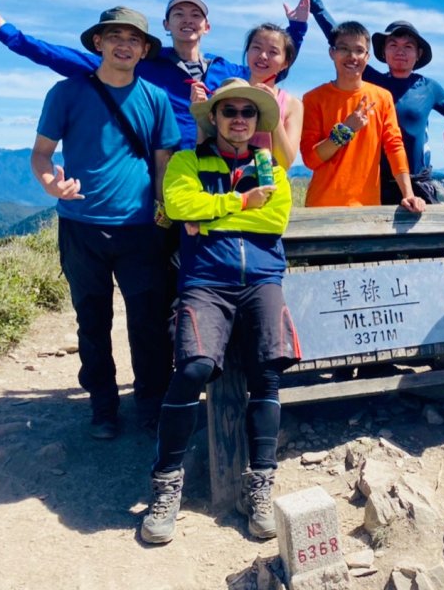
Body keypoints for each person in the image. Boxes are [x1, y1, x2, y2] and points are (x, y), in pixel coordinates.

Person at [141, 79, 300, 545]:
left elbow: (275, 219)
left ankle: (261, 485)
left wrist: (208, 217)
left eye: (247, 113)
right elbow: (177, 204)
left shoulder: (270, 167)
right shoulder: (188, 161)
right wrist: (238, 201)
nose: (238, 119)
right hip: (205, 283)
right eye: (228, 110)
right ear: (213, 117)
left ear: (257, 123)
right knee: (192, 367)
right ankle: (166, 483)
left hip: (263, 281)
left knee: (268, 372)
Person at [27, 6, 181, 439]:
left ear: (144, 49)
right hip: (80, 225)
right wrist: (50, 185)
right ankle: (103, 407)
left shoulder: (155, 99)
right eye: (115, 36)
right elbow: (41, 153)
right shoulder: (67, 93)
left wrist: (166, 211)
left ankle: (151, 403)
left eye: (134, 39)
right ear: (98, 43)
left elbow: (163, 162)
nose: (124, 45)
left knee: (148, 323)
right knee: (91, 320)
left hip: (141, 229)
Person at [0, 0, 309, 151]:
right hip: (162, 170)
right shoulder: (146, 65)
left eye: (196, 16)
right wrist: (10, 36)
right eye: (179, 15)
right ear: (166, 25)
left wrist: (298, 26)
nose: (188, 21)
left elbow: (271, 62)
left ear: (207, 27)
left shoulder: (227, 68)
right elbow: (70, 60)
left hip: (220, 169)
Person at [291, 0, 444, 203]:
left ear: (418, 53)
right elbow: (339, 36)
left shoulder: (429, 88)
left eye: (408, 46)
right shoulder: (376, 83)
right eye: (393, 44)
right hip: (375, 185)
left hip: (415, 182)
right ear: (381, 53)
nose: (400, 51)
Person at [300, 20, 426, 213]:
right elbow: (310, 159)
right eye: (344, 49)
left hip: (367, 208)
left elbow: (394, 146)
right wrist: (345, 130)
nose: (352, 56)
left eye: (359, 51)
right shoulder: (313, 99)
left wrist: (407, 194)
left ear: (367, 57)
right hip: (321, 207)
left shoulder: (382, 97)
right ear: (332, 53)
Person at [190, 19, 304, 169]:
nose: (263, 56)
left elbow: (285, 163)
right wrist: (201, 113)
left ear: (285, 63)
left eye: (273, 52)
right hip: (223, 184)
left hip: (268, 187)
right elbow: (204, 150)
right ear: (247, 51)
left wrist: (272, 111)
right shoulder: (226, 94)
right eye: (256, 47)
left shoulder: (292, 105)